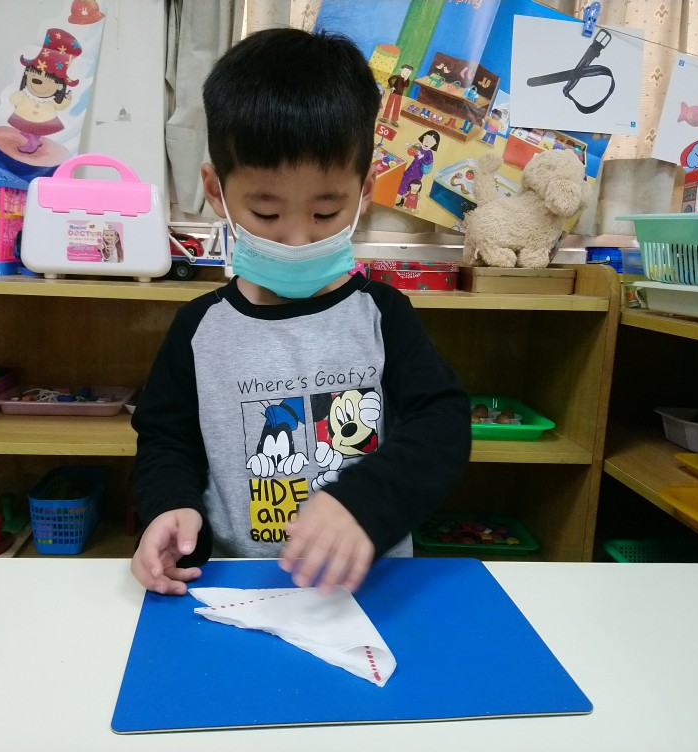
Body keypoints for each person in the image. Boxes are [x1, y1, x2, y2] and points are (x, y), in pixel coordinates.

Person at [130, 28, 470, 597]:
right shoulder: (200, 330)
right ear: (216, 190)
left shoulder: (381, 317)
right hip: (239, 589)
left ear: (364, 190)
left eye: (325, 212)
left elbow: (443, 425)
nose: (295, 238)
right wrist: (171, 506)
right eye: (265, 213)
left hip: (368, 591)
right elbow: (166, 440)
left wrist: (364, 502)